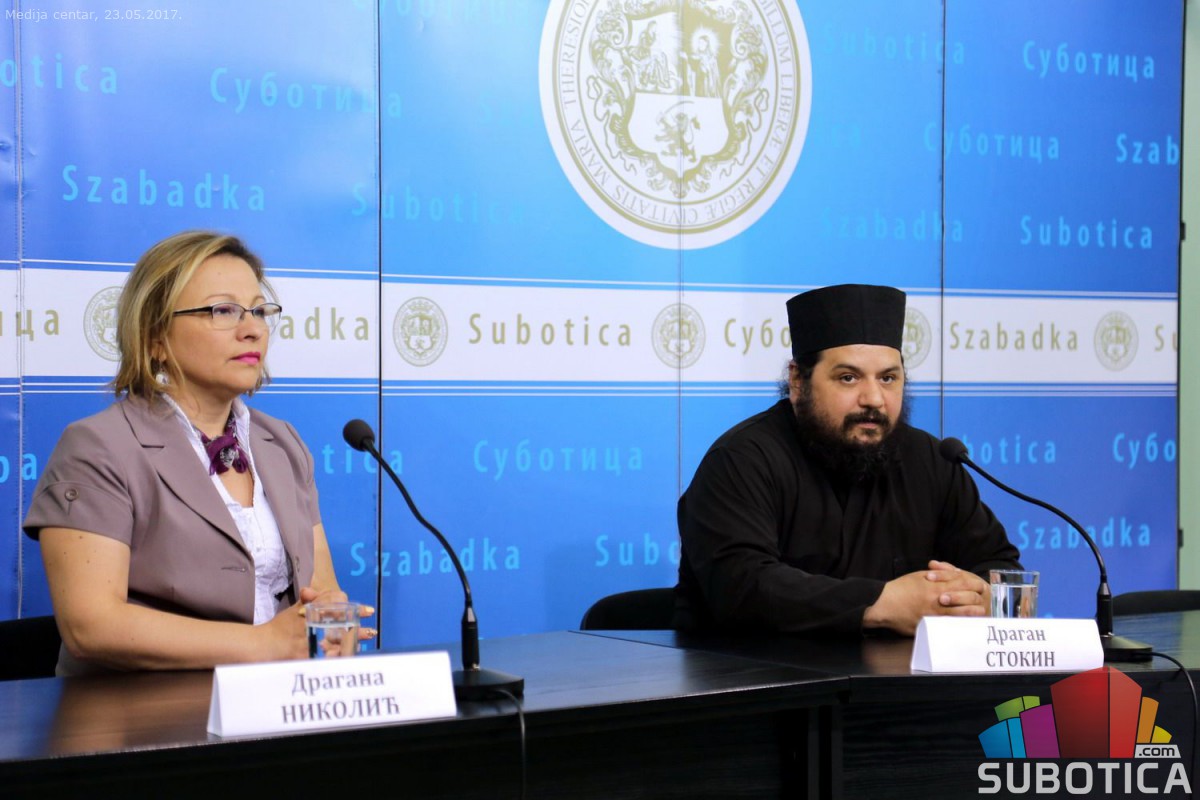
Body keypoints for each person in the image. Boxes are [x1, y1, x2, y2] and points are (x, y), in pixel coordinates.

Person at [23, 231, 373, 675]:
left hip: (277, 702)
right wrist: (262, 644)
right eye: (222, 310)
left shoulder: (282, 442)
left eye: (259, 311)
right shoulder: (97, 447)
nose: (252, 329)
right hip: (144, 711)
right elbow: (91, 626)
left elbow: (320, 591)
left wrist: (330, 623)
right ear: (155, 337)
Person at [674, 284, 1021, 636]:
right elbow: (742, 585)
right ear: (798, 381)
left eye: (888, 378)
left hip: (900, 671)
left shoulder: (933, 460)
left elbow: (999, 566)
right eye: (848, 378)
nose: (874, 398)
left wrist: (976, 596)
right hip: (754, 668)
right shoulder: (742, 461)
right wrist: (882, 603)